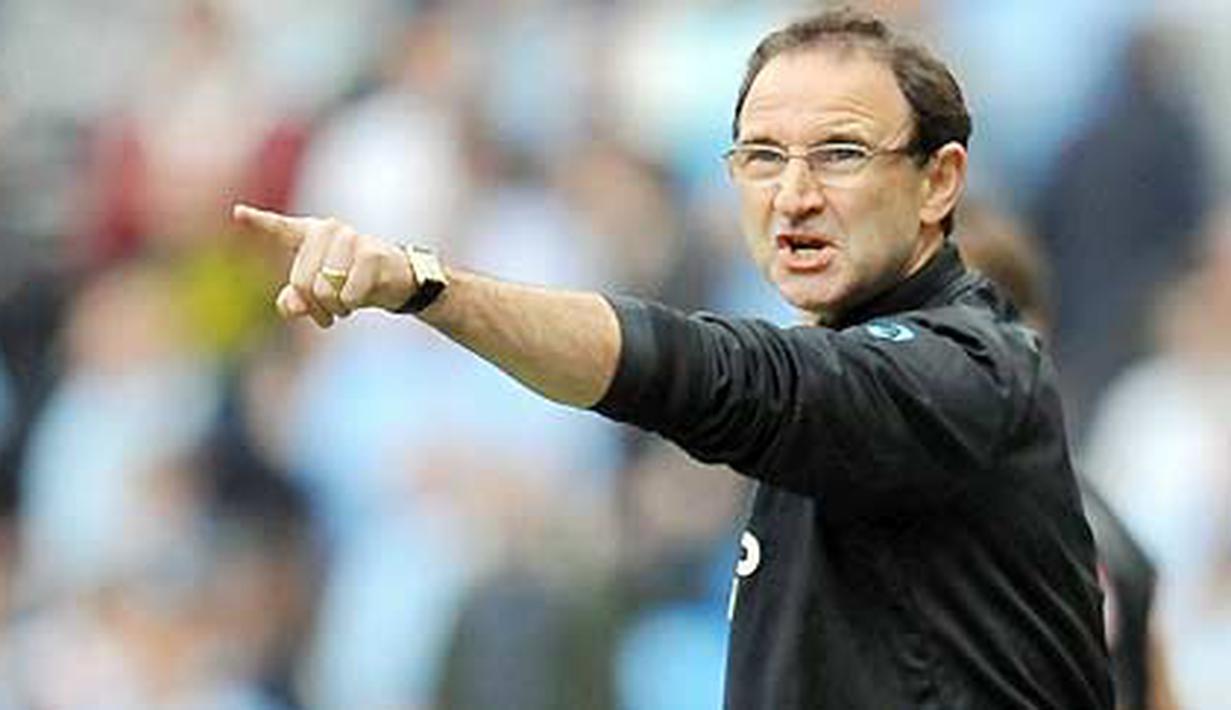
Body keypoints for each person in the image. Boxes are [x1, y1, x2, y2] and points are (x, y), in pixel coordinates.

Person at [234, 9, 1113, 709]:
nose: (794, 195)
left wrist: (427, 287)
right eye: (763, 157)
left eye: (841, 154)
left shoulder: (967, 367)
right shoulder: (838, 362)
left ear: (938, 181)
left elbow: (728, 379)